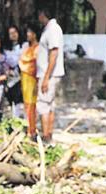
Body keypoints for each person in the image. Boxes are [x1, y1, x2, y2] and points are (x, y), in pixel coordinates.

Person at [36, 7, 65, 143]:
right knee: (50, 105)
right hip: (50, 73)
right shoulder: (50, 28)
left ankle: (46, 136)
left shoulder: (52, 29)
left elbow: (54, 53)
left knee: (43, 105)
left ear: (43, 14)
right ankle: (49, 135)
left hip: (49, 74)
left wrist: (46, 77)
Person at [19, 24, 40, 139]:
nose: (27, 35)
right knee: (27, 105)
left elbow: (36, 66)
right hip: (25, 80)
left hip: (32, 79)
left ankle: (32, 130)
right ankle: (29, 128)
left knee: (31, 106)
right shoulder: (27, 47)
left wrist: (37, 82)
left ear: (35, 34)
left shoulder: (37, 48)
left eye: (30, 32)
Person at [4, 25, 24, 117]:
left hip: (22, 77)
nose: (13, 35)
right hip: (10, 79)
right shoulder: (5, 49)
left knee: (20, 101)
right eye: (11, 33)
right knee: (12, 101)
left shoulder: (24, 46)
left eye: (15, 32)